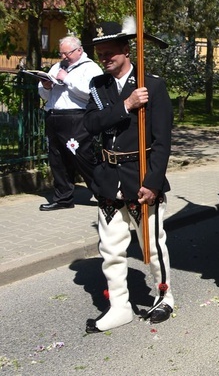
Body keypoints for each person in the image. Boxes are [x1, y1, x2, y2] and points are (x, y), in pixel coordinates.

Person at [83, 20, 174, 333]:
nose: (105, 58)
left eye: (110, 53)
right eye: (100, 54)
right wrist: (127, 105)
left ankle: (164, 297)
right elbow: (92, 124)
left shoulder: (152, 84)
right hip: (109, 179)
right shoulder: (98, 86)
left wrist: (153, 182)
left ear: (125, 50)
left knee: (152, 246)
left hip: (142, 178)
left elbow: (163, 141)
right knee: (110, 248)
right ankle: (119, 305)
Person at [38, 35, 103, 210]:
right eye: (62, 54)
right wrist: (45, 86)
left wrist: (67, 79)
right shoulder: (58, 66)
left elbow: (92, 93)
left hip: (77, 117)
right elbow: (44, 95)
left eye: (67, 53)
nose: (64, 57)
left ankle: (104, 193)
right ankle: (63, 198)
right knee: (57, 158)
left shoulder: (90, 68)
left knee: (83, 157)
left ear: (79, 50)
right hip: (54, 115)